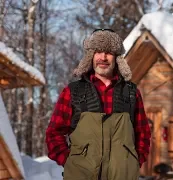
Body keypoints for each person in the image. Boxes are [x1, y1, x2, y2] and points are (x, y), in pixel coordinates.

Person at [45, 29, 151, 180]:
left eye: (109, 52)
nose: (103, 57)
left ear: (116, 57)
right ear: (91, 56)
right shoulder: (73, 91)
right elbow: (53, 133)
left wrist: (133, 161)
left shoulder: (131, 92)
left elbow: (144, 133)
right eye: (98, 51)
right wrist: (69, 161)